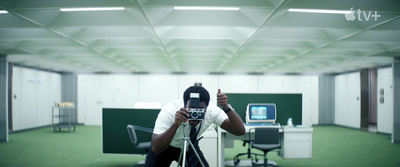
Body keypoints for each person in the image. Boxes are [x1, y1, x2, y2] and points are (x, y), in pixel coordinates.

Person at [145, 85, 246, 167]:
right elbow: (156, 148)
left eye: (200, 110)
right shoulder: (170, 110)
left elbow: (240, 131)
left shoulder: (212, 110)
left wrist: (226, 108)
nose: (195, 114)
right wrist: (175, 124)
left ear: (207, 107)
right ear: (184, 105)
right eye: (192, 109)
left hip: (190, 146)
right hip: (166, 145)